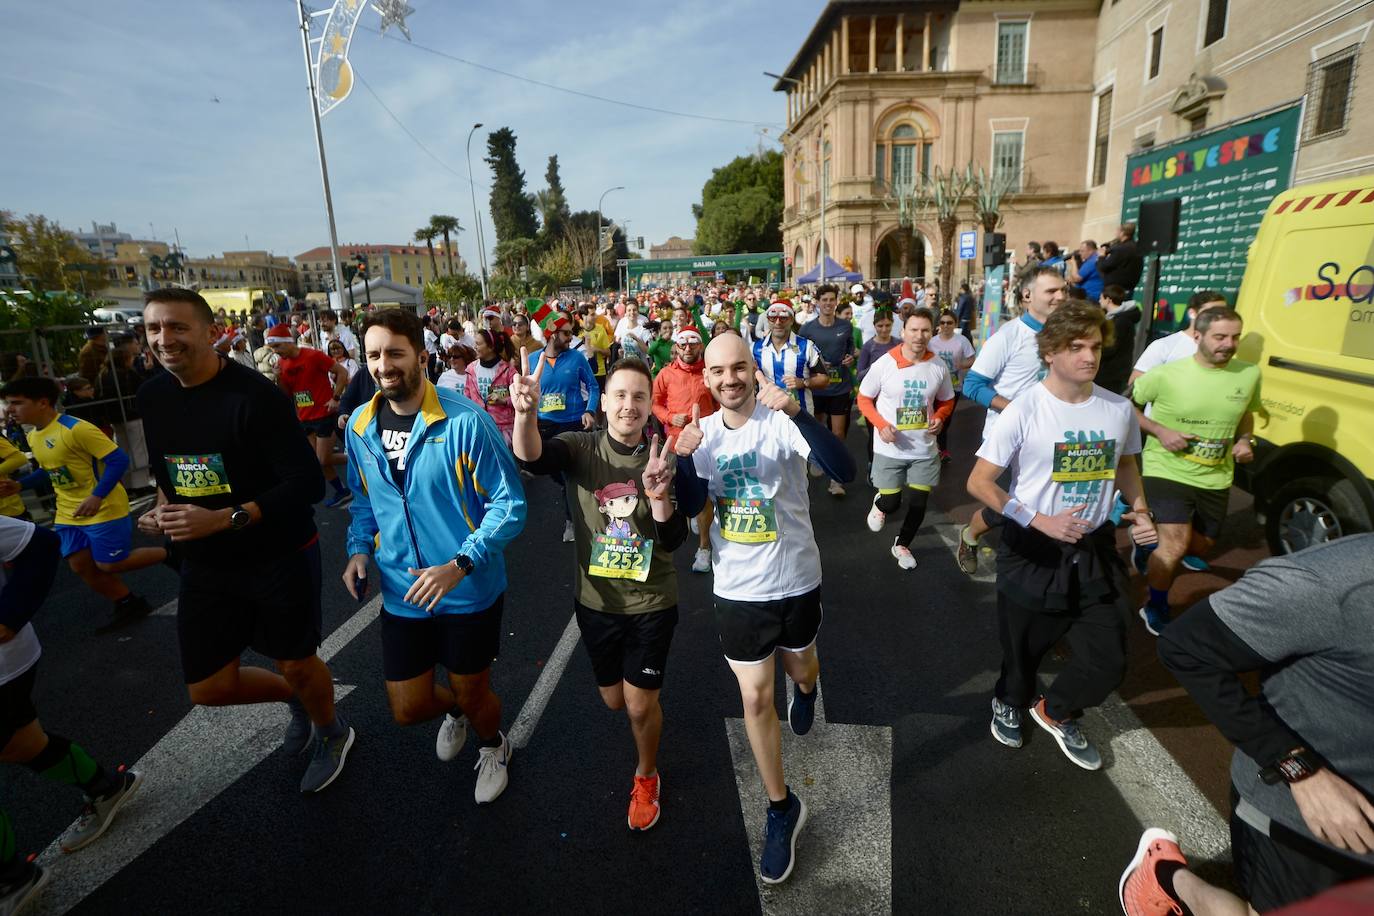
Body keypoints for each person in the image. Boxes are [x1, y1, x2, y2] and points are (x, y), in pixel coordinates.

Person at [137, 287, 353, 793]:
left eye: (177, 327)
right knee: (209, 688)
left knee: (297, 661)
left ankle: (331, 731)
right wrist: (164, 504)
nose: (164, 339)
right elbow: (169, 469)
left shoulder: (256, 397)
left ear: (211, 333)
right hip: (207, 561)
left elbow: (305, 483)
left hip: (277, 552)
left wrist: (225, 519)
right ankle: (297, 699)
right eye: (153, 329)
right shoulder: (153, 395)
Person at [672, 333, 856, 885]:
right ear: (706, 379)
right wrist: (683, 460)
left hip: (796, 578)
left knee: (801, 667)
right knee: (754, 694)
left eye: (739, 368)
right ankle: (781, 807)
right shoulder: (702, 435)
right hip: (737, 588)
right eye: (718, 372)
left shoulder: (780, 421)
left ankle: (806, 687)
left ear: (754, 370)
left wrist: (800, 412)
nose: (729, 379)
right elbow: (688, 506)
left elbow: (844, 471)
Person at [1123, 534, 1374, 915]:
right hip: (1308, 824)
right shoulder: (1331, 580)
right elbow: (1185, 647)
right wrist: (1299, 769)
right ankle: (1168, 879)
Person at [512, 355, 705, 830]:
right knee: (614, 701)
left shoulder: (664, 455)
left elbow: (675, 540)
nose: (629, 405)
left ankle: (646, 775)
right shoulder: (581, 447)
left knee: (639, 704)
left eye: (639, 396)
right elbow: (532, 457)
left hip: (652, 602)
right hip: (596, 604)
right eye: (620, 395)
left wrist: (661, 498)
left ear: (649, 405)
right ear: (603, 401)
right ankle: (643, 715)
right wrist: (524, 414)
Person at [342, 309, 525, 805]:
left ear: (421, 356)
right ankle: (460, 712)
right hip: (403, 593)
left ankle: (494, 744)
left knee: (472, 688)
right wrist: (359, 550)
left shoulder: (467, 421)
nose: (384, 364)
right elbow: (363, 500)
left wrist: (460, 563)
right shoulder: (359, 425)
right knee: (407, 707)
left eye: (395, 353)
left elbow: (510, 505)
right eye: (374, 354)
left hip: (467, 590)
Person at [967, 302, 1157, 771]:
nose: (1089, 356)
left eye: (1094, 346)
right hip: (1034, 550)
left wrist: (1139, 508)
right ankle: (1010, 700)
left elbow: (1127, 464)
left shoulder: (1117, 409)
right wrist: (1036, 520)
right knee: (1023, 651)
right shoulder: (1025, 409)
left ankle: (1056, 710)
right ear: (1050, 352)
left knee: (1109, 660)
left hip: (1094, 549)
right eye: (1076, 347)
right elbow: (980, 482)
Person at [0, 515, 143, 915]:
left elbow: (40, 544)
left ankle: (10, 878)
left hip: (3, 666)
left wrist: (10, 615)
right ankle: (106, 786)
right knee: (22, 745)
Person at [1131, 307, 1260, 636]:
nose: (1228, 344)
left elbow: (1247, 413)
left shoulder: (1248, 374)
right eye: (1220, 337)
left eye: (1235, 337)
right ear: (1198, 336)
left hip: (1216, 475)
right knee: (1175, 544)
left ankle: (1149, 546)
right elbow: (1127, 407)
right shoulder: (1165, 374)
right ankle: (1156, 603)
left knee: (1201, 545)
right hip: (1166, 468)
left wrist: (1245, 440)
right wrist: (1159, 430)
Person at [1, 377, 165, 633]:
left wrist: (97, 495)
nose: (10, 409)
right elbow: (50, 471)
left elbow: (118, 460)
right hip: (69, 512)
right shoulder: (33, 437)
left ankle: (174, 554)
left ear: (43, 402)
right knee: (80, 565)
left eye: (17, 403)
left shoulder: (76, 429)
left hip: (103, 508)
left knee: (110, 564)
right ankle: (128, 602)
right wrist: (21, 486)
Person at [957, 267, 1068, 574]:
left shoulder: (1066, 335)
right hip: (1007, 437)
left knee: (1042, 502)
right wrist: (1017, 411)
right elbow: (972, 385)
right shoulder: (1009, 336)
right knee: (1010, 507)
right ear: (1027, 296)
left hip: (1051, 436)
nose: (1060, 296)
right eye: (1051, 291)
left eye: (1063, 290)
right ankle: (971, 534)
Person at [856, 308, 955, 569]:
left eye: (924, 330)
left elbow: (947, 399)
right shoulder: (886, 363)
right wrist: (880, 425)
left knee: (919, 501)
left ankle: (903, 544)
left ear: (931, 332)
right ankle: (880, 504)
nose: (919, 336)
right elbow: (864, 398)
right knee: (892, 501)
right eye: (913, 330)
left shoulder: (937, 365)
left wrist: (941, 417)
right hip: (890, 448)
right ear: (903, 332)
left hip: (924, 449)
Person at [529, 311, 601, 543]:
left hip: (572, 423)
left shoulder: (576, 358)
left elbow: (593, 386)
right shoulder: (532, 360)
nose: (571, 337)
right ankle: (570, 494)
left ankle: (573, 520)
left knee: (571, 471)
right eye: (567, 333)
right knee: (555, 471)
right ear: (552, 334)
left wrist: (589, 410)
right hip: (544, 425)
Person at [651, 326, 718, 574]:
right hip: (674, 444)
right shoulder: (665, 374)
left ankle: (704, 548)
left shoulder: (710, 374)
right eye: (683, 344)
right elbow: (654, 403)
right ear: (675, 348)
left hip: (704, 444)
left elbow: (722, 405)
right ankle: (670, 537)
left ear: (701, 346)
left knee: (703, 499)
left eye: (693, 343)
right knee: (667, 493)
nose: (688, 348)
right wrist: (669, 416)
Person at [265, 323, 352, 509]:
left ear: (288, 342)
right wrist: (278, 377)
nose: (275, 351)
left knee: (322, 459)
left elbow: (342, 372)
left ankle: (359, 459)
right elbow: (286, 394)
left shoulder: (313, 355)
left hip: (323, 414)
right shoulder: (281, 364)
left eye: (277, 346)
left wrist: (335, 398)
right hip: (304, 418)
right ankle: (342, 491)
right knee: (319, 461)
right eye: (272, 348)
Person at [799, 284, 857, 496]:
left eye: (832, 300)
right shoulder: (807, 329)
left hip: (840, 387)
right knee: (817, 429)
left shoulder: (845, 326)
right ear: (817, 302)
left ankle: (835, 480)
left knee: (839, 433)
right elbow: (801, 355)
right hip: (817, 388)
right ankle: (819, 456)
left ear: (836, 302)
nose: (828, 304)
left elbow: (850, 348)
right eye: (824, 300)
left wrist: (851, 357)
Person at [1128, 290, 1230, 387]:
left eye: (1224, 312)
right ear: (1192, 313)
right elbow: (1135, 385)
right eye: (1212, 313)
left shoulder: (1228, 346)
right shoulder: (1164, 345)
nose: (1220, 317)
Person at [752, 301, 827, 424]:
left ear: (791, 320)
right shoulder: (755, 348)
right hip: (767, 416)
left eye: (783, 318)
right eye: (773, 318)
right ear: (767, 320)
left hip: (801, 415)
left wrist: (803, 382)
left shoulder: (806, 346)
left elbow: (824, 379)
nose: (777, 322)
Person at [927, 308, 976, 462]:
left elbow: (972, 359)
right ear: (939, 324)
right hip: (934, 387)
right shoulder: (932, 342)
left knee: (945, 420)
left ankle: (940, 448)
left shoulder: (962, 341)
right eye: (943, 322)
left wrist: (961, 365)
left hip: (954, 386)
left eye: (949, 323)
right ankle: (937, 450)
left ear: (955, 324)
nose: (946, 325)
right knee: (933, 418)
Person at [464, 331, 517, 445]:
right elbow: (467, 399)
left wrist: (503, 401)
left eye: (478, 344)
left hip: (504, 432)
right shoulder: (471, 369)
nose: (475, 347)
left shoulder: (508, 371)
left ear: (491, 347)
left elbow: (519, 398)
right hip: (479, 429)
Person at [1095, 285, 1140, 395]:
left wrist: (1095, 350)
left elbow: (1111, 348)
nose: (1099, 301)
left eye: (1101, 298)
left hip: (1113, 374)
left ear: (1108, 300)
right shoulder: (1115, 318)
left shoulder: (1121, 321)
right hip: (1112, 372)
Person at [1098, 222, 1144, 299]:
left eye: (1117, 231)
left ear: (1122, 233)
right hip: (1129, 287)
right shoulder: (1136, 247)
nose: (1115, 233)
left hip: (1115, 290)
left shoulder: (1120, 249)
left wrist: (1101, 256)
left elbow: (1104, 266)